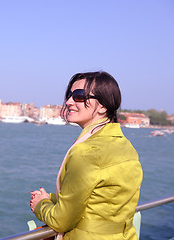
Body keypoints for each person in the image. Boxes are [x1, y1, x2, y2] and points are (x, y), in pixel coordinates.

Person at [30, 71, 143, 240]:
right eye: (69, 95)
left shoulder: (86, 152)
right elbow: (100, 201)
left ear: (103, 105)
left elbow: (61, 221)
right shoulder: (125, 146)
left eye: (79, 96)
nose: (69, 101)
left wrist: (41, 204)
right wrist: (52, 198)